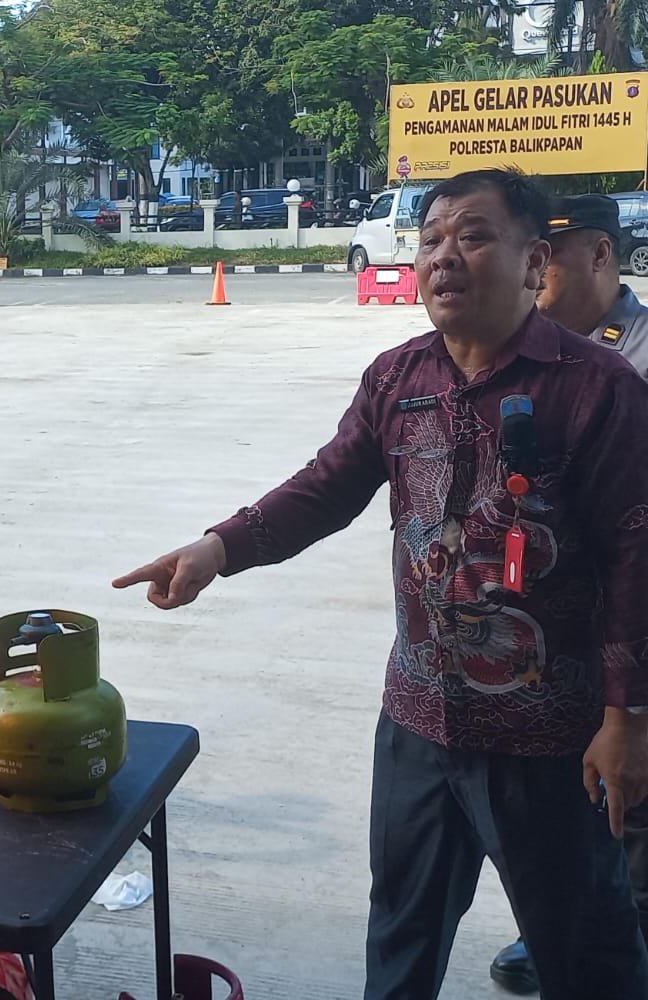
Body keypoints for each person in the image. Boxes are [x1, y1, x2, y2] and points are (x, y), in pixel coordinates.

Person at [112, 169, 648, 999]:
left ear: (534, 260)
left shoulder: (597, 386)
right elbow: (328, 485)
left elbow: (634, 556)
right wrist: (217, 549)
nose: (444, 256)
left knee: (587, 956)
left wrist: (627, 718)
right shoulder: (398, 379)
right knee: (400, 938)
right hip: (418, 724)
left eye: (474, 236)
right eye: (431, 239)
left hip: (551, 739)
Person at [485, 195, 648, 992]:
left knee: (629, 802)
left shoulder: (636, 358)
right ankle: (560, 929)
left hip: (632, 619)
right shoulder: (531, 355)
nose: (536, 271)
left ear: (600, 256)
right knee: (568, 806)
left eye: (550, 256)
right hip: (559, 638)